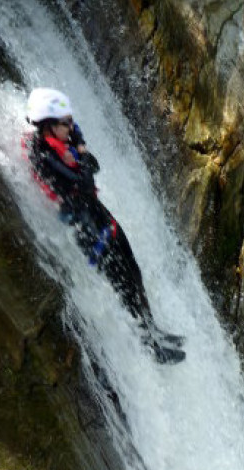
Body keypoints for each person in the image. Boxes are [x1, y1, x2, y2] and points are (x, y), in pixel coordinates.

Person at [23, 87, 185, 364]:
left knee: (133, 270)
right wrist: (83, 156)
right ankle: (149, 347)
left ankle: (153, 328)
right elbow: (85, 180)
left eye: (71, 121)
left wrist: (82, 154)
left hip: (95, 213)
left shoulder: (64, 138)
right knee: (121, 283)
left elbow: (92, 165)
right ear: (48, 126)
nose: (71, 127)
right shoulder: (44, 156)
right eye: (65, 123)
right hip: (85, 228)